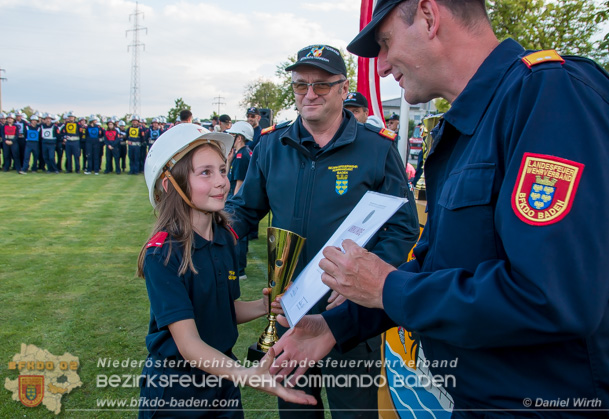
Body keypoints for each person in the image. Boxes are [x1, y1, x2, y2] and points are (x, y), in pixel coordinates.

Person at [271, 0, 609, 416]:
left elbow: (552, 295)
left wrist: (387, 288)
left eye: (385, 42)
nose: (379, 67)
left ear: (429, 16)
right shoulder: (473, 122)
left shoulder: (549, 94)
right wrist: (337, 326)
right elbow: (439, 266)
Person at [226, 44, 419, 419]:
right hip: (288, 311)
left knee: (355, 413)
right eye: (300, 86)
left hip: (348, 311)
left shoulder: (375, 149)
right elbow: (244, 210)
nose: (309, 94)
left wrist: (365, 277)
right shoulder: (271, 143)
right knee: (297, 411)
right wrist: (206, 234)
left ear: (343, 88)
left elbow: (402, 225)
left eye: (321, 85)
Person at [137, 123, 315, 417]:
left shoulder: (225, 238)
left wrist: (263, 306)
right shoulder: (162, 254)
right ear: (171, 185)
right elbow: (189, 344)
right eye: (205, 172)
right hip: (176, 391)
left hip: (223, 382)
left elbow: (224, 309)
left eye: (222, 170)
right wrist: (249, 375)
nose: (222, 181)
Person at [225, 121, 254, 281]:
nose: (230, 137)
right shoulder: (240, 154)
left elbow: (239, 183)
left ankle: (239, 269)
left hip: (236, 200)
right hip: (235, 198)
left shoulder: (242, 156)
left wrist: (233, 205)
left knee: (238, 236)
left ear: (240, 137)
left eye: (233, 135)